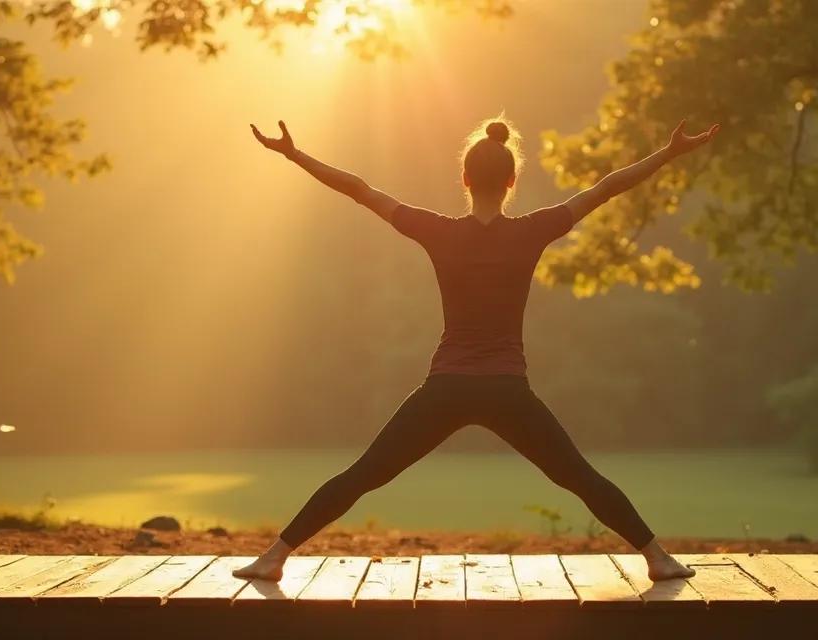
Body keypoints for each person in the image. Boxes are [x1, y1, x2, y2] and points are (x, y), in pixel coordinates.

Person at [234, 116, 720, 582]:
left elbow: (360, 189)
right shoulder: (533, 230)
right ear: (511, 181)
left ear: (464, 177)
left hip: (446, 387)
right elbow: (607, 187)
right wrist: (668, 153)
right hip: (507, 389)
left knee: (363, 475)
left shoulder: (438, 231)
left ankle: (275, 556)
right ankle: (656, 558)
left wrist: (296, 155)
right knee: (578, 476)